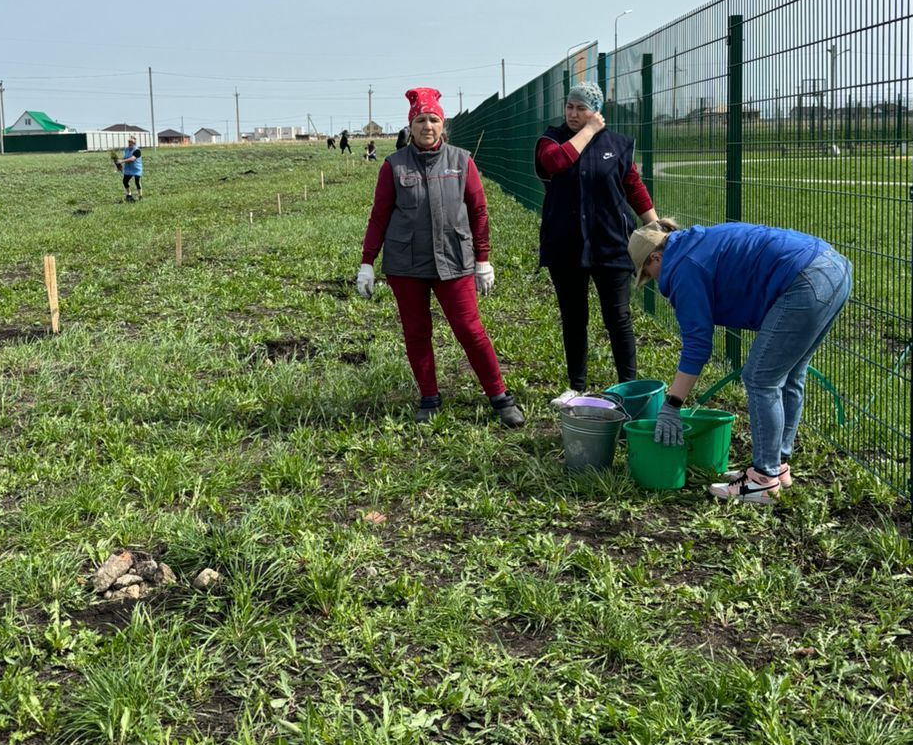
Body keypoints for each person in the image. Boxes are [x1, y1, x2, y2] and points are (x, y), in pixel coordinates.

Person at [628, 220, 852, 504]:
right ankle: (777, 466)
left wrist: (671, 405)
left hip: (805, 279)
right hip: (833, 268)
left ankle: (762, 481)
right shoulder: (693, 245)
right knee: (791, 374)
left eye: (649, 273)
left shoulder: (684, 267)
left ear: (656, 257)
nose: (655, 281)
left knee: (760, 378)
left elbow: (697, 345)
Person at [356, 87, 524, 428]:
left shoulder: (461, 161)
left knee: (469, 329)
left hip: (455, 260)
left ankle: (499, 396)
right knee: (417, 333)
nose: (427, 126)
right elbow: (379, 216)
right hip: (406, 265)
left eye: (433, 119)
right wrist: (367, 263)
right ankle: (429, 397)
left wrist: (483, 260)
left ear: (442, 125)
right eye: (420, 120)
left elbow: (478, 211)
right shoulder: (393, 166)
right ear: (410, 126)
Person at [535, 81, 658, 406]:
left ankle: (628, 389)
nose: (573, 114)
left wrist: (655, 227)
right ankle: (576, 386)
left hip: (611, 243)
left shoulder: (617, 145)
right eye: (570, 107)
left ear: (596, 111)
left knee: (618, 317)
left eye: (582, 108)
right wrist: (588, 131)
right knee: (574, 317)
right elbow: (556, 163)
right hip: (566, 244)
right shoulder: (551, 140)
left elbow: (633, 186)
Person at [119, 137, 143, 202]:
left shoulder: (137, 151)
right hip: (128, 168)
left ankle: (140, 196)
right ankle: (129, 195)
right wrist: (119, 163)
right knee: (125, 181)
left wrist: (122, 161)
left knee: (137, 182)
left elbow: (132, 159)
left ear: (134, 143)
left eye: (131, 142)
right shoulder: (126, 150)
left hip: (136, 168)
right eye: (129, 142)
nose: (129, 144)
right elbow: (125, 157)